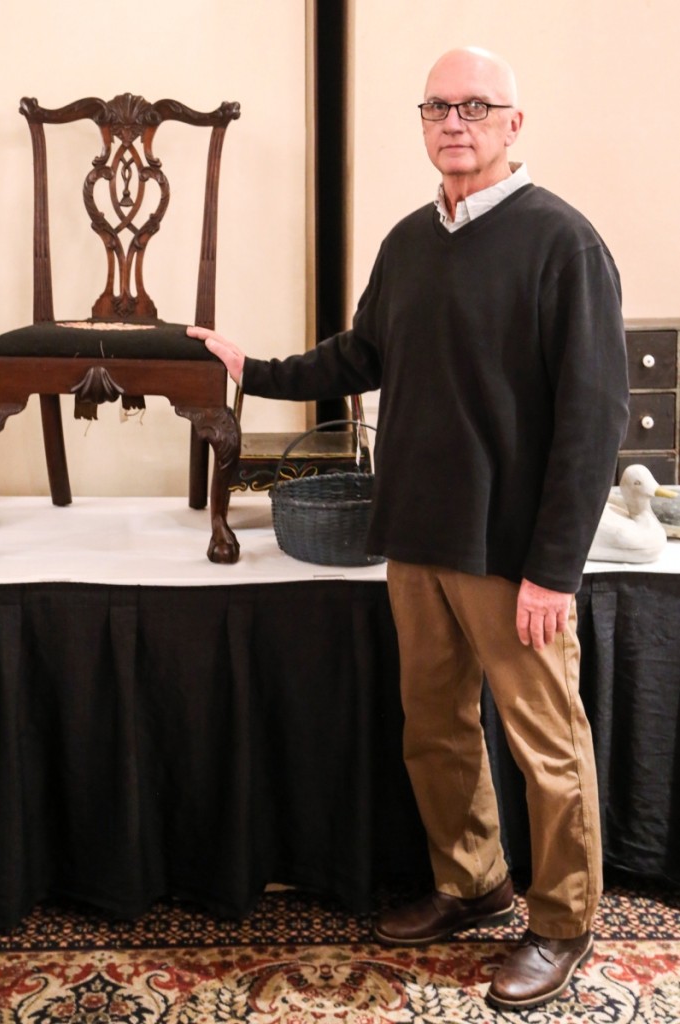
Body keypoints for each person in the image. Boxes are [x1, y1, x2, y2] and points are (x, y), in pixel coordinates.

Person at [188, 46, 630, 1010]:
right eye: (436, 106)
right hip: (417, 539)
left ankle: (561, 923)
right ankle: (472, 885)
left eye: (475, 106)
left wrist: (553, 570)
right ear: (423, 123)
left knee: (545, 745)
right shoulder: (406, 241)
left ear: (514, 124)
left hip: (513, 557)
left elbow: (594, 421)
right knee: (435, 729)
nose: (453, 121)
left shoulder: (565, 243)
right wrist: (249, 367)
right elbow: (359, 355)